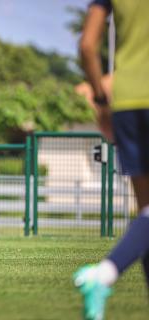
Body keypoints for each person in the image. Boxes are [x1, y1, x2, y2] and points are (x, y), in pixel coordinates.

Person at [73, 1, 149, 319]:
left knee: (146, 214)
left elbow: (87, 45)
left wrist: (102, 101)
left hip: (127, 101)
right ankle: (104, 273)